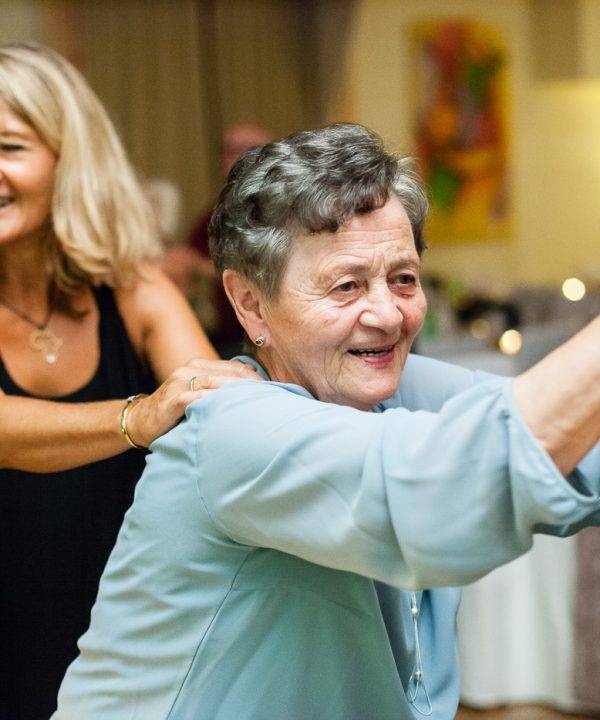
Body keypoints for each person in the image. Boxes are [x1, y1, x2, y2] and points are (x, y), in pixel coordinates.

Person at [53, 124, 600, 719]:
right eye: (346, 286)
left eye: (404, 278)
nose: (388, 314)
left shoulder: (405, 388)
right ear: (251, 304)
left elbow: (570, 446)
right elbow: (448, 496)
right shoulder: (232, 429)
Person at [0, 42, 258, 720]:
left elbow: (226, 413)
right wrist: (138, 417)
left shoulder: (135, 291)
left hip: (122, 643)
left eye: (9, 147)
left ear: (70, 159)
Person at [164, 123, 271, 358]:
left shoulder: (285, 212)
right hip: (231, 336)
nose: (238, 158)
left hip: (276, 333)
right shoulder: (215, 215)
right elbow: (187, 259)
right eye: (230, 151)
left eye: (249, 150)